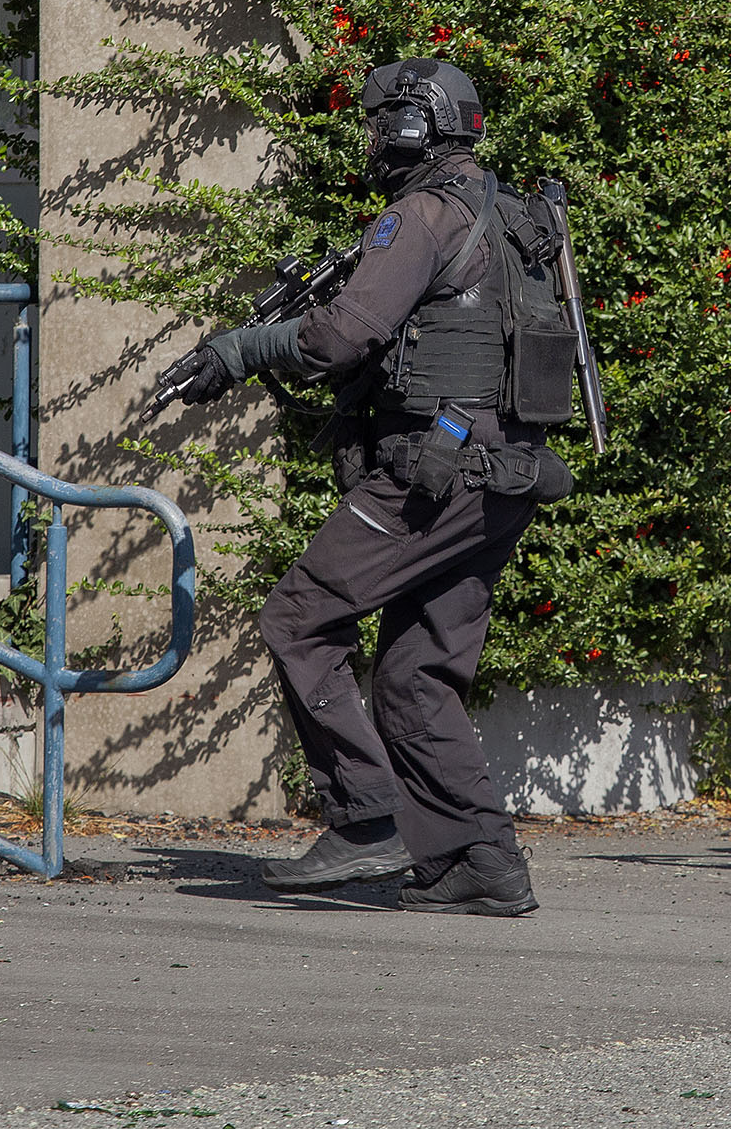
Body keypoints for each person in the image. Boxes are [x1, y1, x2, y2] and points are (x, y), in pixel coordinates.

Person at [167, 58, 579, 916]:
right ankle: (482, 860)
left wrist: (241, 349)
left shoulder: (422, 216)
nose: (368, 140)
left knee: (296, 617)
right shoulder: (513, 214)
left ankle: (364, 819)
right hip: (503, 474)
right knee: (416, 672)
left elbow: (337, 341)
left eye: (378, 123)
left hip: (434, 473)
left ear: (412, 128)